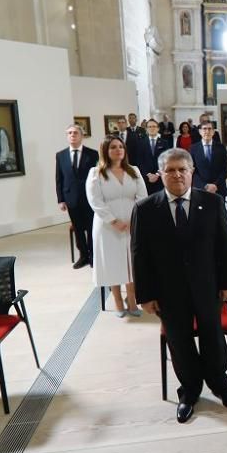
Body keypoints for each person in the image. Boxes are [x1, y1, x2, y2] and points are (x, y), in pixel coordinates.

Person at [132, 148, 227, 424]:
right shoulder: (145, 210)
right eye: (170, 170)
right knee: (179, 342)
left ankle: (220, 383)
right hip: (169, 293)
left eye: (183, 169)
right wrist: (145, 295)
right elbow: (139, 255)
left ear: (192, 172)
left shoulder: (213, 203)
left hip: (209, 288)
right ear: (161, 174)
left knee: (212, 336)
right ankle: (189, 391)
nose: (177, 175)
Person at [86, 135, 148, 317]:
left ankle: (132, 299)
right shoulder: (96, 173)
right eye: (113, 147)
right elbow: (95, 201)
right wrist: (113, 221)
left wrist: (134, 220)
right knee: (112, 262)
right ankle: (118, 301)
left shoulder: (134, 170)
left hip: (132, 223)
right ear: (106, 150)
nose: (118, 150)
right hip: (107, 225)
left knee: (131, 262)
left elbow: (142, 196)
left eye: (120, 146)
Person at [56, 124, 99, 268]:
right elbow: (59, 178)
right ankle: (83, 256)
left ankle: (93, 255)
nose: (72, 135)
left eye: (75, 133)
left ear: (81, 136)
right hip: (71, 198)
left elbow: (98, 176)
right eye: (69, 133)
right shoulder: (60, 155)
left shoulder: (92, 154)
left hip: (89, 198)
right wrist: (60, 199)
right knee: (78, 228)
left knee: (92, 227)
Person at [192, 121, 227, 196]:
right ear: (200, 131)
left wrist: (215, 185)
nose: (207, 131)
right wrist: (205, 185)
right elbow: (192, 171)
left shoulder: (221, 148)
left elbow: (225, 170)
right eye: (204, 129)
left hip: (219, 189)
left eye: (210, 129)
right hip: (200, 189)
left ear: (213, 132)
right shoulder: (193, 148)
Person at [137, 118, 170, 193]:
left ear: (158, 128)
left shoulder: (165, 143)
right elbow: (139, 161)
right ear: (146, 129)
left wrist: (157, 174)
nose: (152, 128)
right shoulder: (140, 143)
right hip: (145, 179)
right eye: (150, 127)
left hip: (160, 178)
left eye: (154, 126)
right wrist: (148, 174)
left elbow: (167, 161)